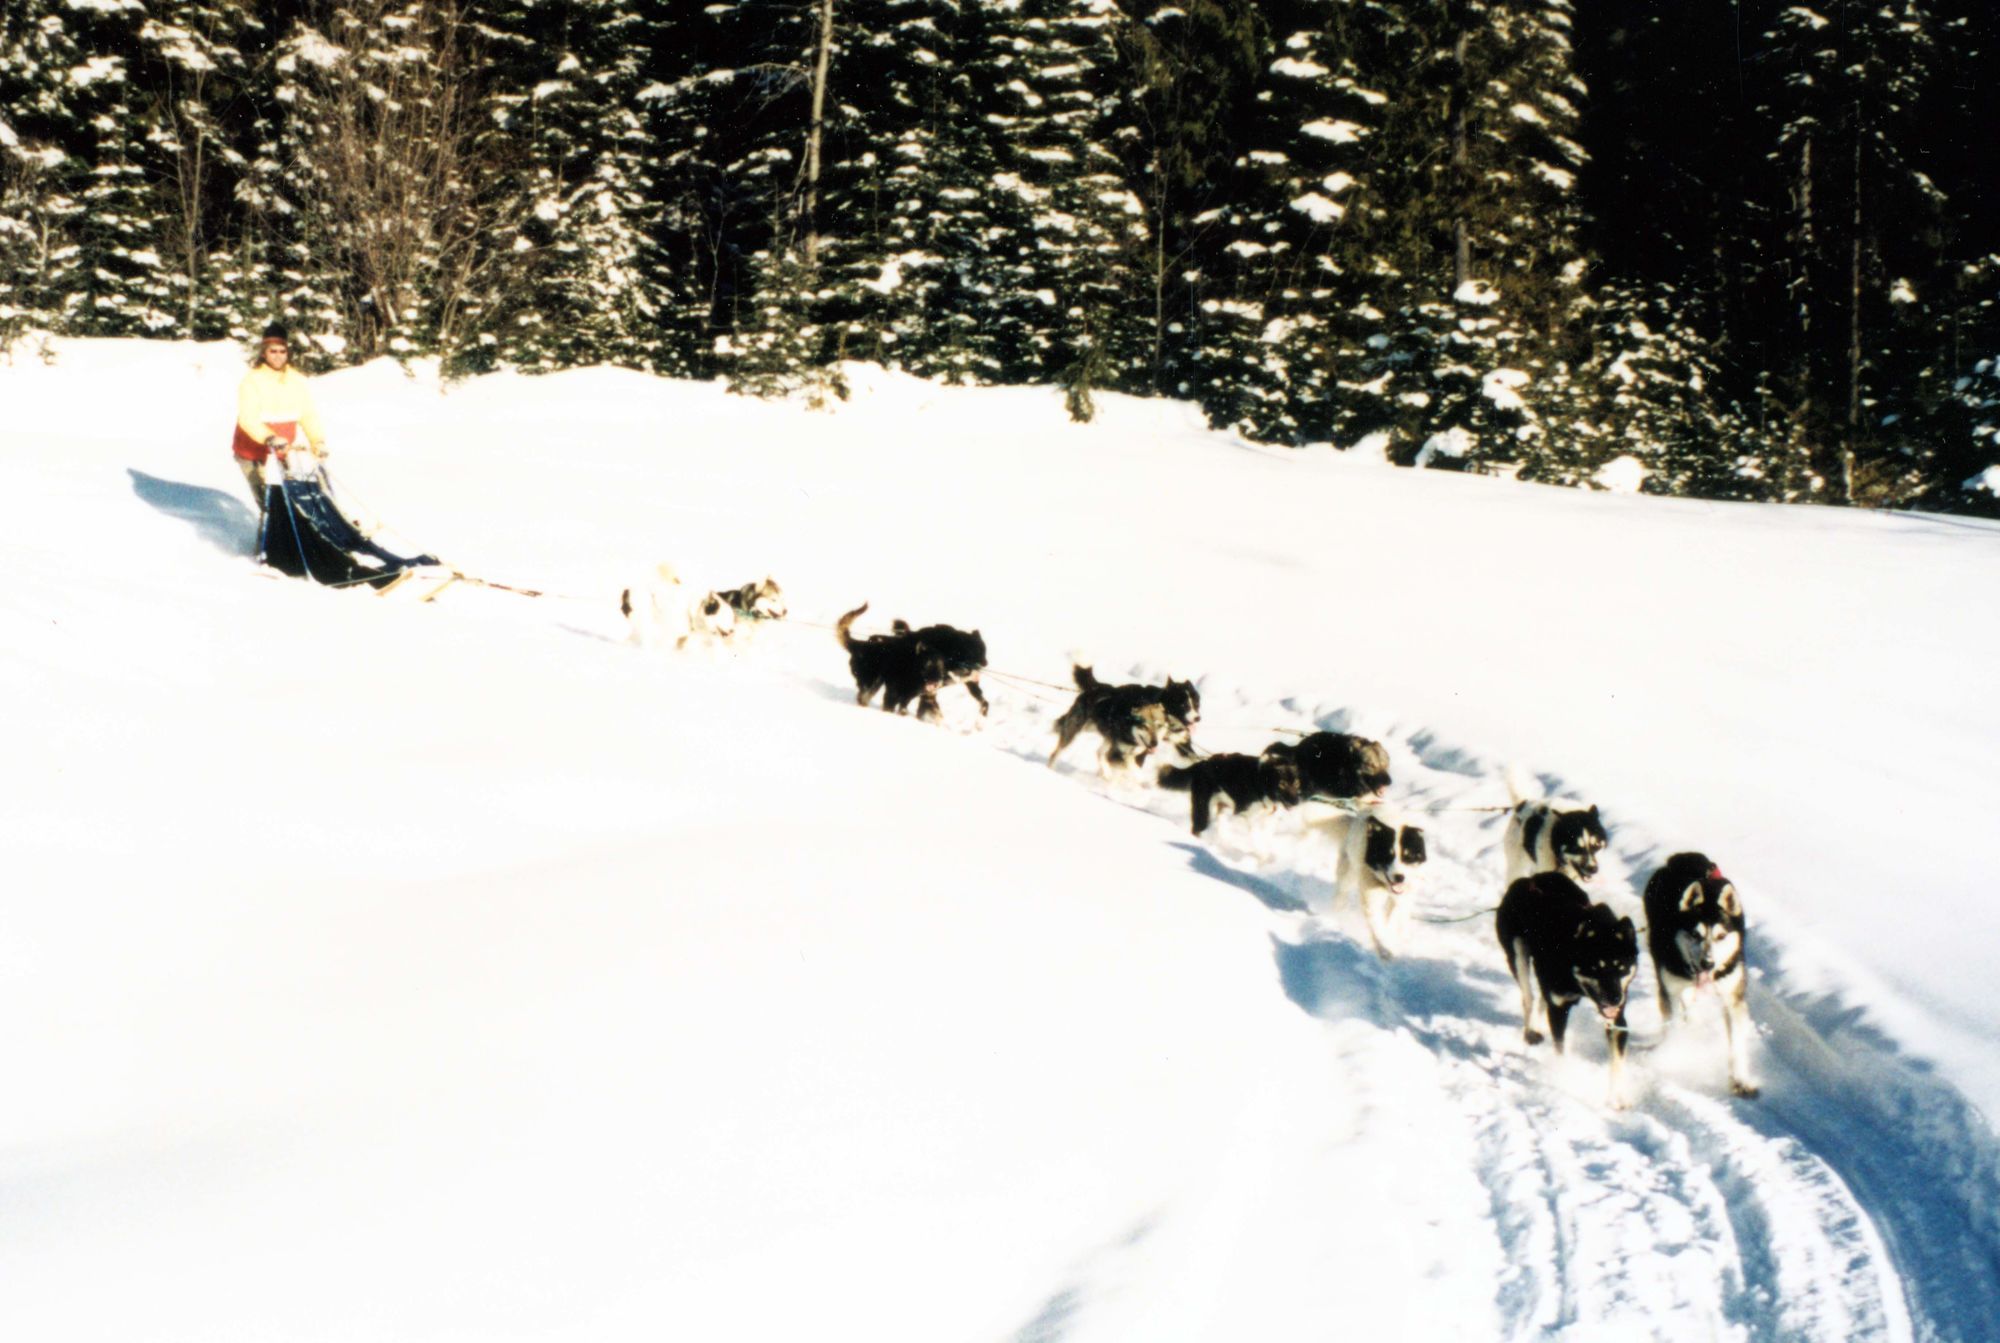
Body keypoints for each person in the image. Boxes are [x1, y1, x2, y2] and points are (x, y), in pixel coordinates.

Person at [232, 323, 329, 514]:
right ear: (264, 353)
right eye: (272, 351)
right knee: (269, 504)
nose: (278, 356)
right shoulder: (252, 381)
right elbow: (248, 418)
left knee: (291, 500)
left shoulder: (296, 380)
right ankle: (268, 539)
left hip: (282, 450)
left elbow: (307, 414)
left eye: (282, 351)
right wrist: (269, 438)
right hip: (252, 449)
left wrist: (317, 441)